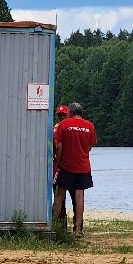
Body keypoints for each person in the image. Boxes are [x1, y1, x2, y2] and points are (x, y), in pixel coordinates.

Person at [53, 101, 97, 236]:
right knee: (79, 197)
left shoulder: (64, 125)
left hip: (66, 165)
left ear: (70, 113)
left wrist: (59, 161)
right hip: (83, 166)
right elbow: (90, 146)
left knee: (59, 195)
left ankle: (54, 227)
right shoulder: (90, 126)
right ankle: (78, 230)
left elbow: (59, 146)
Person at [52, 104, 70, 225]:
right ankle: (59, 222)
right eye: (60, 115)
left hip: (68, 164)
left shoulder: (70, 128)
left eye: (64, 114)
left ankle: (74, 225)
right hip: (57, 166)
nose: (62, 117)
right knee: (59, 194)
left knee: (73, 195)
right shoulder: (55, 129)